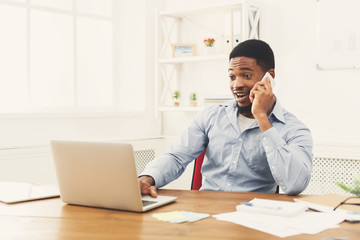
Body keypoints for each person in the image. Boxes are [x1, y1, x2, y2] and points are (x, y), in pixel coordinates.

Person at [138, 39, 313, 197]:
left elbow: (294, 184)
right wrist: (147, 178)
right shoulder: (210, 116)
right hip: (206, 214)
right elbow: (177, 157)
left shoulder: (294, 129)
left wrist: (261, 116)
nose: (236, 85)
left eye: (246, 75)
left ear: (269, 77)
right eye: (232, 76)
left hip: (254, 217)